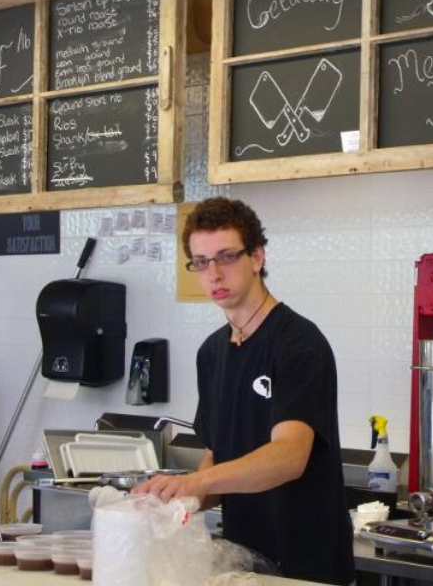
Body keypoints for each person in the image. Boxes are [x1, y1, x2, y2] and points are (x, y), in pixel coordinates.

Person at [135, 196, 354, 586]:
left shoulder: (298, 343)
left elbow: (289, 456)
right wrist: (175, 503)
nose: (214, 273)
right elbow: (216, 459)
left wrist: (197, 483)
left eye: (226, 257)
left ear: (257, 257)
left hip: (305, 570)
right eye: (201, 262)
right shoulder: (212, 353)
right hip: (241, 567)